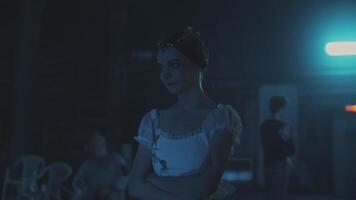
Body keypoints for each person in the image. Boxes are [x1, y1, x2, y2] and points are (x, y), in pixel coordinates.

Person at [127, 27, 242, 200]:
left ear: (197, 65)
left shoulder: (219, 119)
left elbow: (205, 186)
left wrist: (150, 179)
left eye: (174, 65)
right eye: (162, 67)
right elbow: (134, 186)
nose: (165, 74)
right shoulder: (153, 121)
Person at [72, 133, 128, 200]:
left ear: (102, 145)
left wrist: (111, 190)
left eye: (92, 145)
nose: (88, 148)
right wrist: (79, 184)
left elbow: (125, 176)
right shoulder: (87, 163)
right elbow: (77, 180)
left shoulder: (116, 159)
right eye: (89, 145)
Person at [260, 96, 295, 200]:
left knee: (270, 195)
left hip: (267, 164)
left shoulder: (263, 126)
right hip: (280, 165)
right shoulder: (284, 127)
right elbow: (291, 149)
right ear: (281, 108)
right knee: (279, 195)